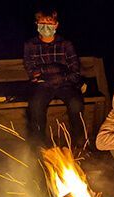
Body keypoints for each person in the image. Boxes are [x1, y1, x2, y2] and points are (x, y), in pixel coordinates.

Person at [24, 7, 86, 149]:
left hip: (65, 84)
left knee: (76, 103)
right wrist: (60, 69)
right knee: (35, 105)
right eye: (42, 22)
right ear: (37, 23)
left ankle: (79, 143)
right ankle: (39, 145)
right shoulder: (30, 45)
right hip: (42, 85)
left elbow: (75, 72)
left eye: (50, 22)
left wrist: (47, 72)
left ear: (56, 25)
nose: (46, 26)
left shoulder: (65, 44)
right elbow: (32, 72)